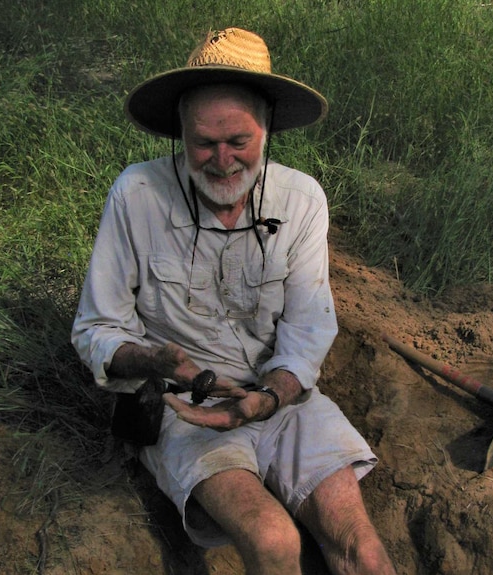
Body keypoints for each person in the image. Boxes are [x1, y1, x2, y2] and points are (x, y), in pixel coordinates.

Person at [72, 27, 397, 575]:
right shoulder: (137, 194)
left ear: (266, 131)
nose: (221, 160)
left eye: (238, 141)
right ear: (180, 133)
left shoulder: (301, 201)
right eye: (204, 142)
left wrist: (265, 399)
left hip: (282, 397)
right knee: (272, 540)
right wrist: (159, 362)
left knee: (361, 550)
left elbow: (307, 334)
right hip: (184, 410)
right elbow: (96, 329)